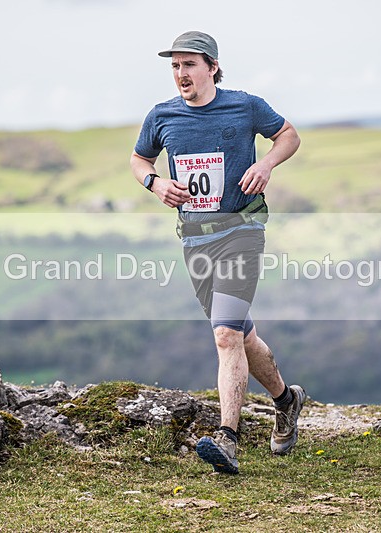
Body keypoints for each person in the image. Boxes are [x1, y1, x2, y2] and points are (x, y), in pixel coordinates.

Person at [130, 31, 305, 474]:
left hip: (242, 229)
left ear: (211, 66)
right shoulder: (162, 115)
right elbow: (139, 161)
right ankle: (287, 400)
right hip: (194, 237)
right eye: (175, 66)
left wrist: (265, 163)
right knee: (240, 334)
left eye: (189, 64)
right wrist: (156, 183)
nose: (181, 74)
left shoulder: (244, 105)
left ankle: (228, 439)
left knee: (224, 334)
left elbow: (288, 135)